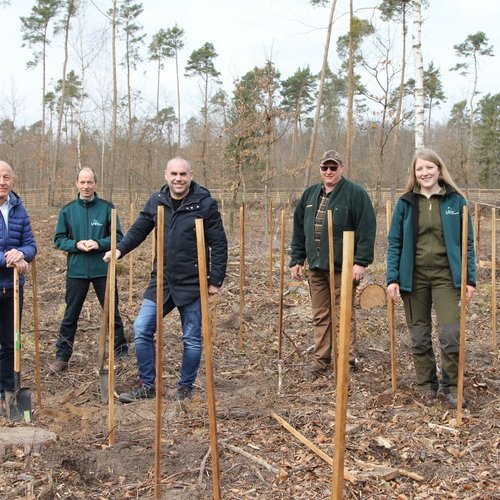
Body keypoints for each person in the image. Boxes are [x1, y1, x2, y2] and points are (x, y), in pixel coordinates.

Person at [104, 157, 228, 403]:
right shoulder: (157, 201)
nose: (178, 178)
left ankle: (185, 388)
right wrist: (119, 249)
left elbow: (219, 243)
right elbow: (139, 229)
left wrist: (215, 279)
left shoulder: (204, 204)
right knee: (141, 329)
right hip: (161, 280)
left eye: (183, 174)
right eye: (174, 174)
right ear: (166, 175)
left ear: (190, 175)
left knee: (191, 338)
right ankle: (148, 384)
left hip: (192, 282)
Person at [387, 148, 475, 407]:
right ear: (414, 173)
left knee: (450, 333)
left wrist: (469, 279)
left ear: (439, 169)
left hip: (446, 277)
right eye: (419, 169)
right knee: (419, 336)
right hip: (413, 278)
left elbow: (467, 243)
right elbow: (394, 242)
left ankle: (451, 386)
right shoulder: (405, 203)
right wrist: (392, 278)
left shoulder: (456, 202)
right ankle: (427, 384)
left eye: (429, 167)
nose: (424, 172)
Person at [289, 150, 376, 377]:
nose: (328, 172)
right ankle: (320, 360)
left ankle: (345, 360)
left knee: (343, 314)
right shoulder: (309, 195)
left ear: (341, 169)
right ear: (320, 169)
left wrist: (361, 262)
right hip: (317, 267)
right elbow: (299, 230)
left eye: (333, 168)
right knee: (320, 314)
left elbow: (367, 229)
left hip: (343, 268)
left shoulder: (355, 194)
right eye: (325, 168)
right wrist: (297, 259)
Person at [50, 167, 128, 373]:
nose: (86, 186)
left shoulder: (107, 208)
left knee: (112, 312)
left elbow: (118, 238)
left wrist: (97, 243)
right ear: (76, 183)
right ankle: (62, 356)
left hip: (102, 269)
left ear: (96, 184)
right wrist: (76, 245)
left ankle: (121, 351)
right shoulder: (67, 211)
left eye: (89, 182)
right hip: (76, 272)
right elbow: (58, 239)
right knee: (70, 315)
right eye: (82, 182)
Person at [0, 161, 37, 408]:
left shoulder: (19, 209)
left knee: (10, 341)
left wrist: (21, 254)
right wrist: (7, 258)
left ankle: (8, 390)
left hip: (12, 287)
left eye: (6, 177)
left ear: (13, 180)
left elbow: (31, 244)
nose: (2, 182)